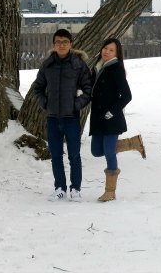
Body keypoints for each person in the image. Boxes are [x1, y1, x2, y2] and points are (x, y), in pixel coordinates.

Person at [34, 29, 92, 202]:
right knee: (56, 155)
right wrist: (45, 103)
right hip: (52, 118)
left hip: (71, 118)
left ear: (70, 44)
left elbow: (88, 90)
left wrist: (76, 105)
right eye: (58, 42)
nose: (61, 45)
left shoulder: (78, 65)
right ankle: (60, 187)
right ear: (54, 44)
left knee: (74, 155)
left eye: (65, 41)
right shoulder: (47, 65)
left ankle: (75, 189)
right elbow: (37, 88)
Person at [89, 37, 145, 202]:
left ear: (117, 54)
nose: (106, 52)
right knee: (96, 151)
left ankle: (110, 191)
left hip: (111, 119)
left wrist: (112, 111)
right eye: (105, 48)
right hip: (98, 118)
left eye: (111, 50)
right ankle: (133, 143)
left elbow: (127, 96)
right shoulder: (98, 68)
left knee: (108, 153)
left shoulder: (116, 69)